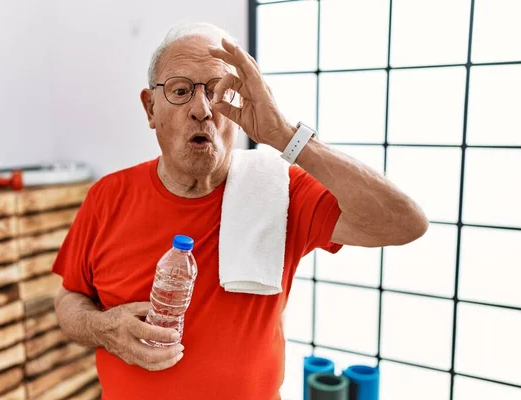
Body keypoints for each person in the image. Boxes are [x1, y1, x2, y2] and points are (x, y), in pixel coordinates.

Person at [52, 23, 428, 400]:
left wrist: (283, 134)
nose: (202, 110)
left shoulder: (280, 191)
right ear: (151, 108)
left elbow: (404, 223)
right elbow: (69, 297)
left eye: (219, 94)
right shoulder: (108, 196)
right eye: (181, 91)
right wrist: (103, 328)